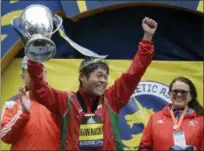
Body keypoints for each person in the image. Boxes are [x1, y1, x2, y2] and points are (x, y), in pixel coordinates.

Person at [27, 17, 157, 151]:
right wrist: (34, 55)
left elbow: (134, 73)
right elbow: (39, 89)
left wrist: (147, 37)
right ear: (82, 77)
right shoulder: (65, 101)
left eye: (106, 77)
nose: (104, 81)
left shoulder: (112, 99)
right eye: (99, 75)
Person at [1, 56, 60, 150]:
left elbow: (69, 135)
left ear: (44, 74)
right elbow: (4, 135)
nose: (35, 75)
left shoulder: (58, 100)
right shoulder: (12, 102)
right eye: (30, 71)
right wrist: (23, 114)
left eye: (38, 71)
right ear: (23, 77)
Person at [139, 77, 204, 151]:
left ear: (191, 96)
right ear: (169, 94)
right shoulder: (154, 118)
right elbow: (143, 147)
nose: (179, 94)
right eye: (175, 91)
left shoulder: (201, 121)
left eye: (184, 92)